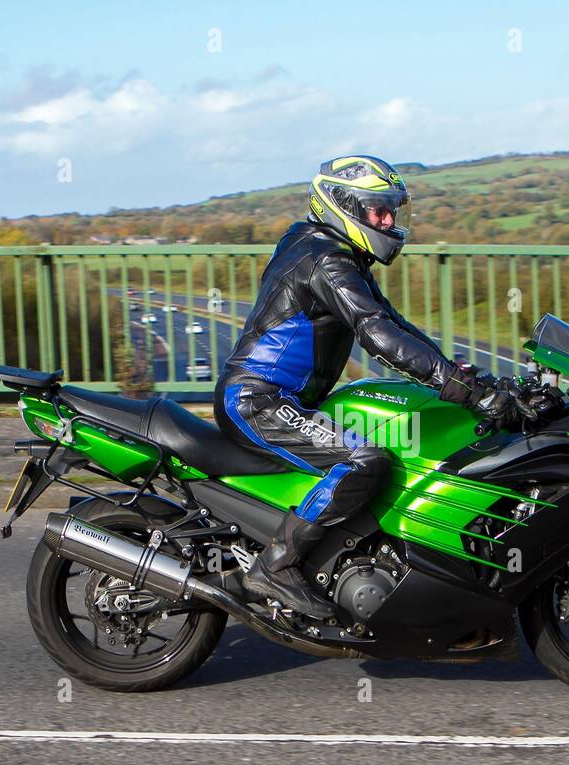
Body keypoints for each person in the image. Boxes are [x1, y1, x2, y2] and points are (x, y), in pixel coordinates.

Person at [214, 155, 523, 618]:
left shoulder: (330, 252)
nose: (388, 220)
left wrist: (467, 378)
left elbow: (395, 325)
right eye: (377, 210)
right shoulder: (325, 260)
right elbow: (376, 334)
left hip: (282, 397)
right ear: (343, 206)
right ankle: (275, 567)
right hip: (258, 399)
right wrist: (454, 386)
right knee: (365, 460)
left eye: (392, 210)